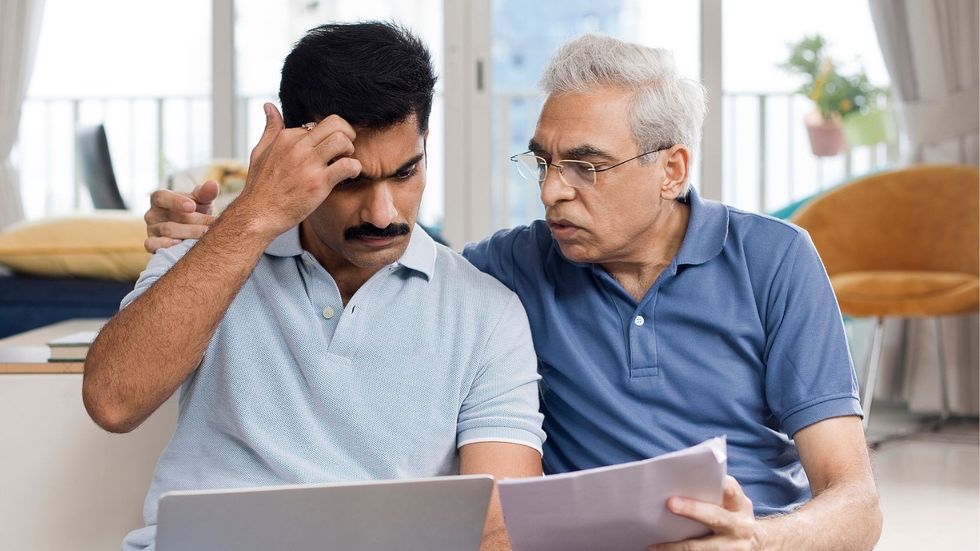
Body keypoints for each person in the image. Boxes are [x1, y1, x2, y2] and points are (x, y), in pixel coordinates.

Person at [144, 34, 882, 550]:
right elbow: (384, 239)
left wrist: (764, 542)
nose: (552, 192)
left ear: (671, 167)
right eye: (543, 162)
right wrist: (214, 231)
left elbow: (856, 503)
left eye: (585, 166)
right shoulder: (512, 269)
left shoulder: (774, 260)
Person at [83, 22, 544, 551]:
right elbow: (113, 402)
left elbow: (498, 526)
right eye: (349, 181)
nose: (383, 213)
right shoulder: (213, 254)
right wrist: (254, 211)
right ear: (291, 156)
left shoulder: (486, 312)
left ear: (425, 146)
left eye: (405, 172)